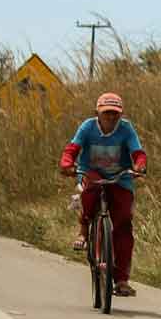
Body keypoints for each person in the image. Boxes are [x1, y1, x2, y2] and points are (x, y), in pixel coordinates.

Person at [60, 91, 147, 296]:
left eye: (115, 113)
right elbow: (72, 149)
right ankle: (84, 228)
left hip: (120, 176)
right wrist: (67, 163)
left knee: (124, 224)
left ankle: (122, 280)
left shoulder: (126, 129)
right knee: (90, 196)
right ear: (97, 113)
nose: (111, 117)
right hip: (91, 172)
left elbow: (138, 152)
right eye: (106, 113)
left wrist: (140, 165)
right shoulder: (87, 127)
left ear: (121, 114)